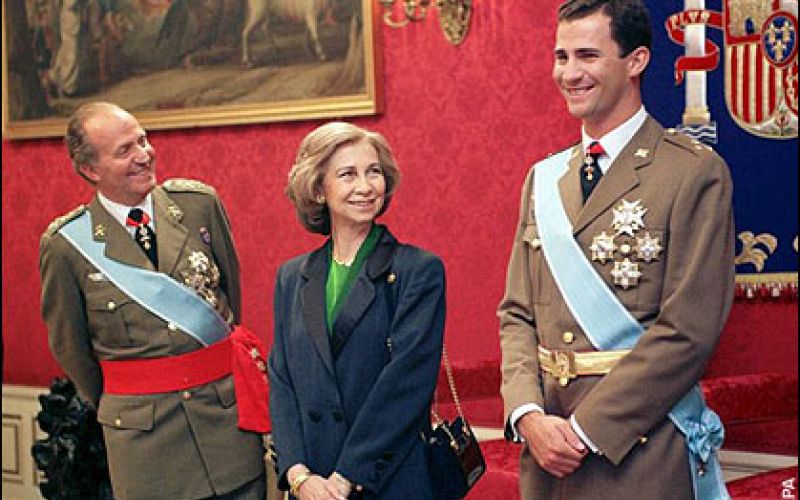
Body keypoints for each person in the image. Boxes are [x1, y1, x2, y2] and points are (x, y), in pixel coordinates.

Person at [498, 1, 735, 499]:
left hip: (639, 453)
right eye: (561, 57)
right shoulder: (544, 178)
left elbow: (688, 331)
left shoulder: (692, 172)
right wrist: (528, 414)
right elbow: (517, 314)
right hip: (546, 454)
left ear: (636, 61)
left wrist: (586, 431)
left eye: (587, 55)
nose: (569, 73)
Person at [39, 101, 268, 500]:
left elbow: (229, 298)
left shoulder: (198, 205)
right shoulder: (65, 246)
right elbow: (71, 349)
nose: (144, 155)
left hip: (225, 428)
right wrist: (133, 396)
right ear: (90, 169)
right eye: (124, 150)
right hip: (145, 444)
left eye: (143, 140)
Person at [269, 122, 446, 499]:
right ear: (318, 189)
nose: (365, 187)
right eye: (348, 174)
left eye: (374, 172)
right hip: (313, 483)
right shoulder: (292, 277)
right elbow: (281, 378)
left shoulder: (418, 270)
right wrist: (298, 475)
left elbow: (407, 382)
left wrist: (345, 477)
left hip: (389, 478)